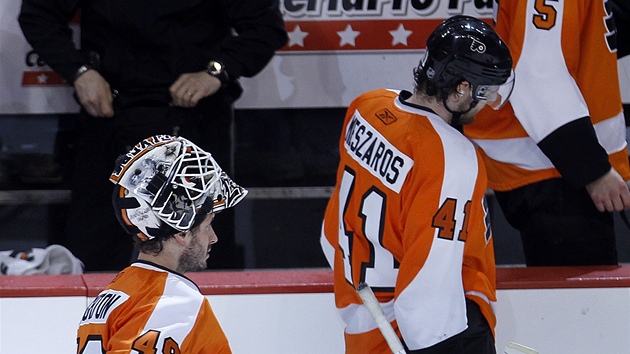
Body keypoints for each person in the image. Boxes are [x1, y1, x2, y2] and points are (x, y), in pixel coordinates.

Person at [18, 0, 287, 271]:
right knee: (94, 249)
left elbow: (265, 27)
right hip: (109, 113)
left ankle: (205, 313)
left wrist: (216, 71)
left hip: (195, 119)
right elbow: (38, 15)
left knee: (200, 249)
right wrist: (79, 72)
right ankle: (96, 312)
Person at [320, 15, 513, 353]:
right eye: (487, 91)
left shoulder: (367, 106)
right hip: (411, 333)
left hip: (361, 317)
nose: (489, 104)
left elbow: (332, 229)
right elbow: (429, 285)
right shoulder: (452, 156)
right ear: (462, 89)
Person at [464, 0, 630, 267]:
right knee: (579, 304)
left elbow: (588, 31)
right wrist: (592, 170)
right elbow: (537, 72)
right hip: (553, 168)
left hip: (555, 164)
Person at [76, 135, 248, 353]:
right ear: (181, 233)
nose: (213, 238)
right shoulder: (173, 301)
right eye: (207, 226)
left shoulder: (115, 293)